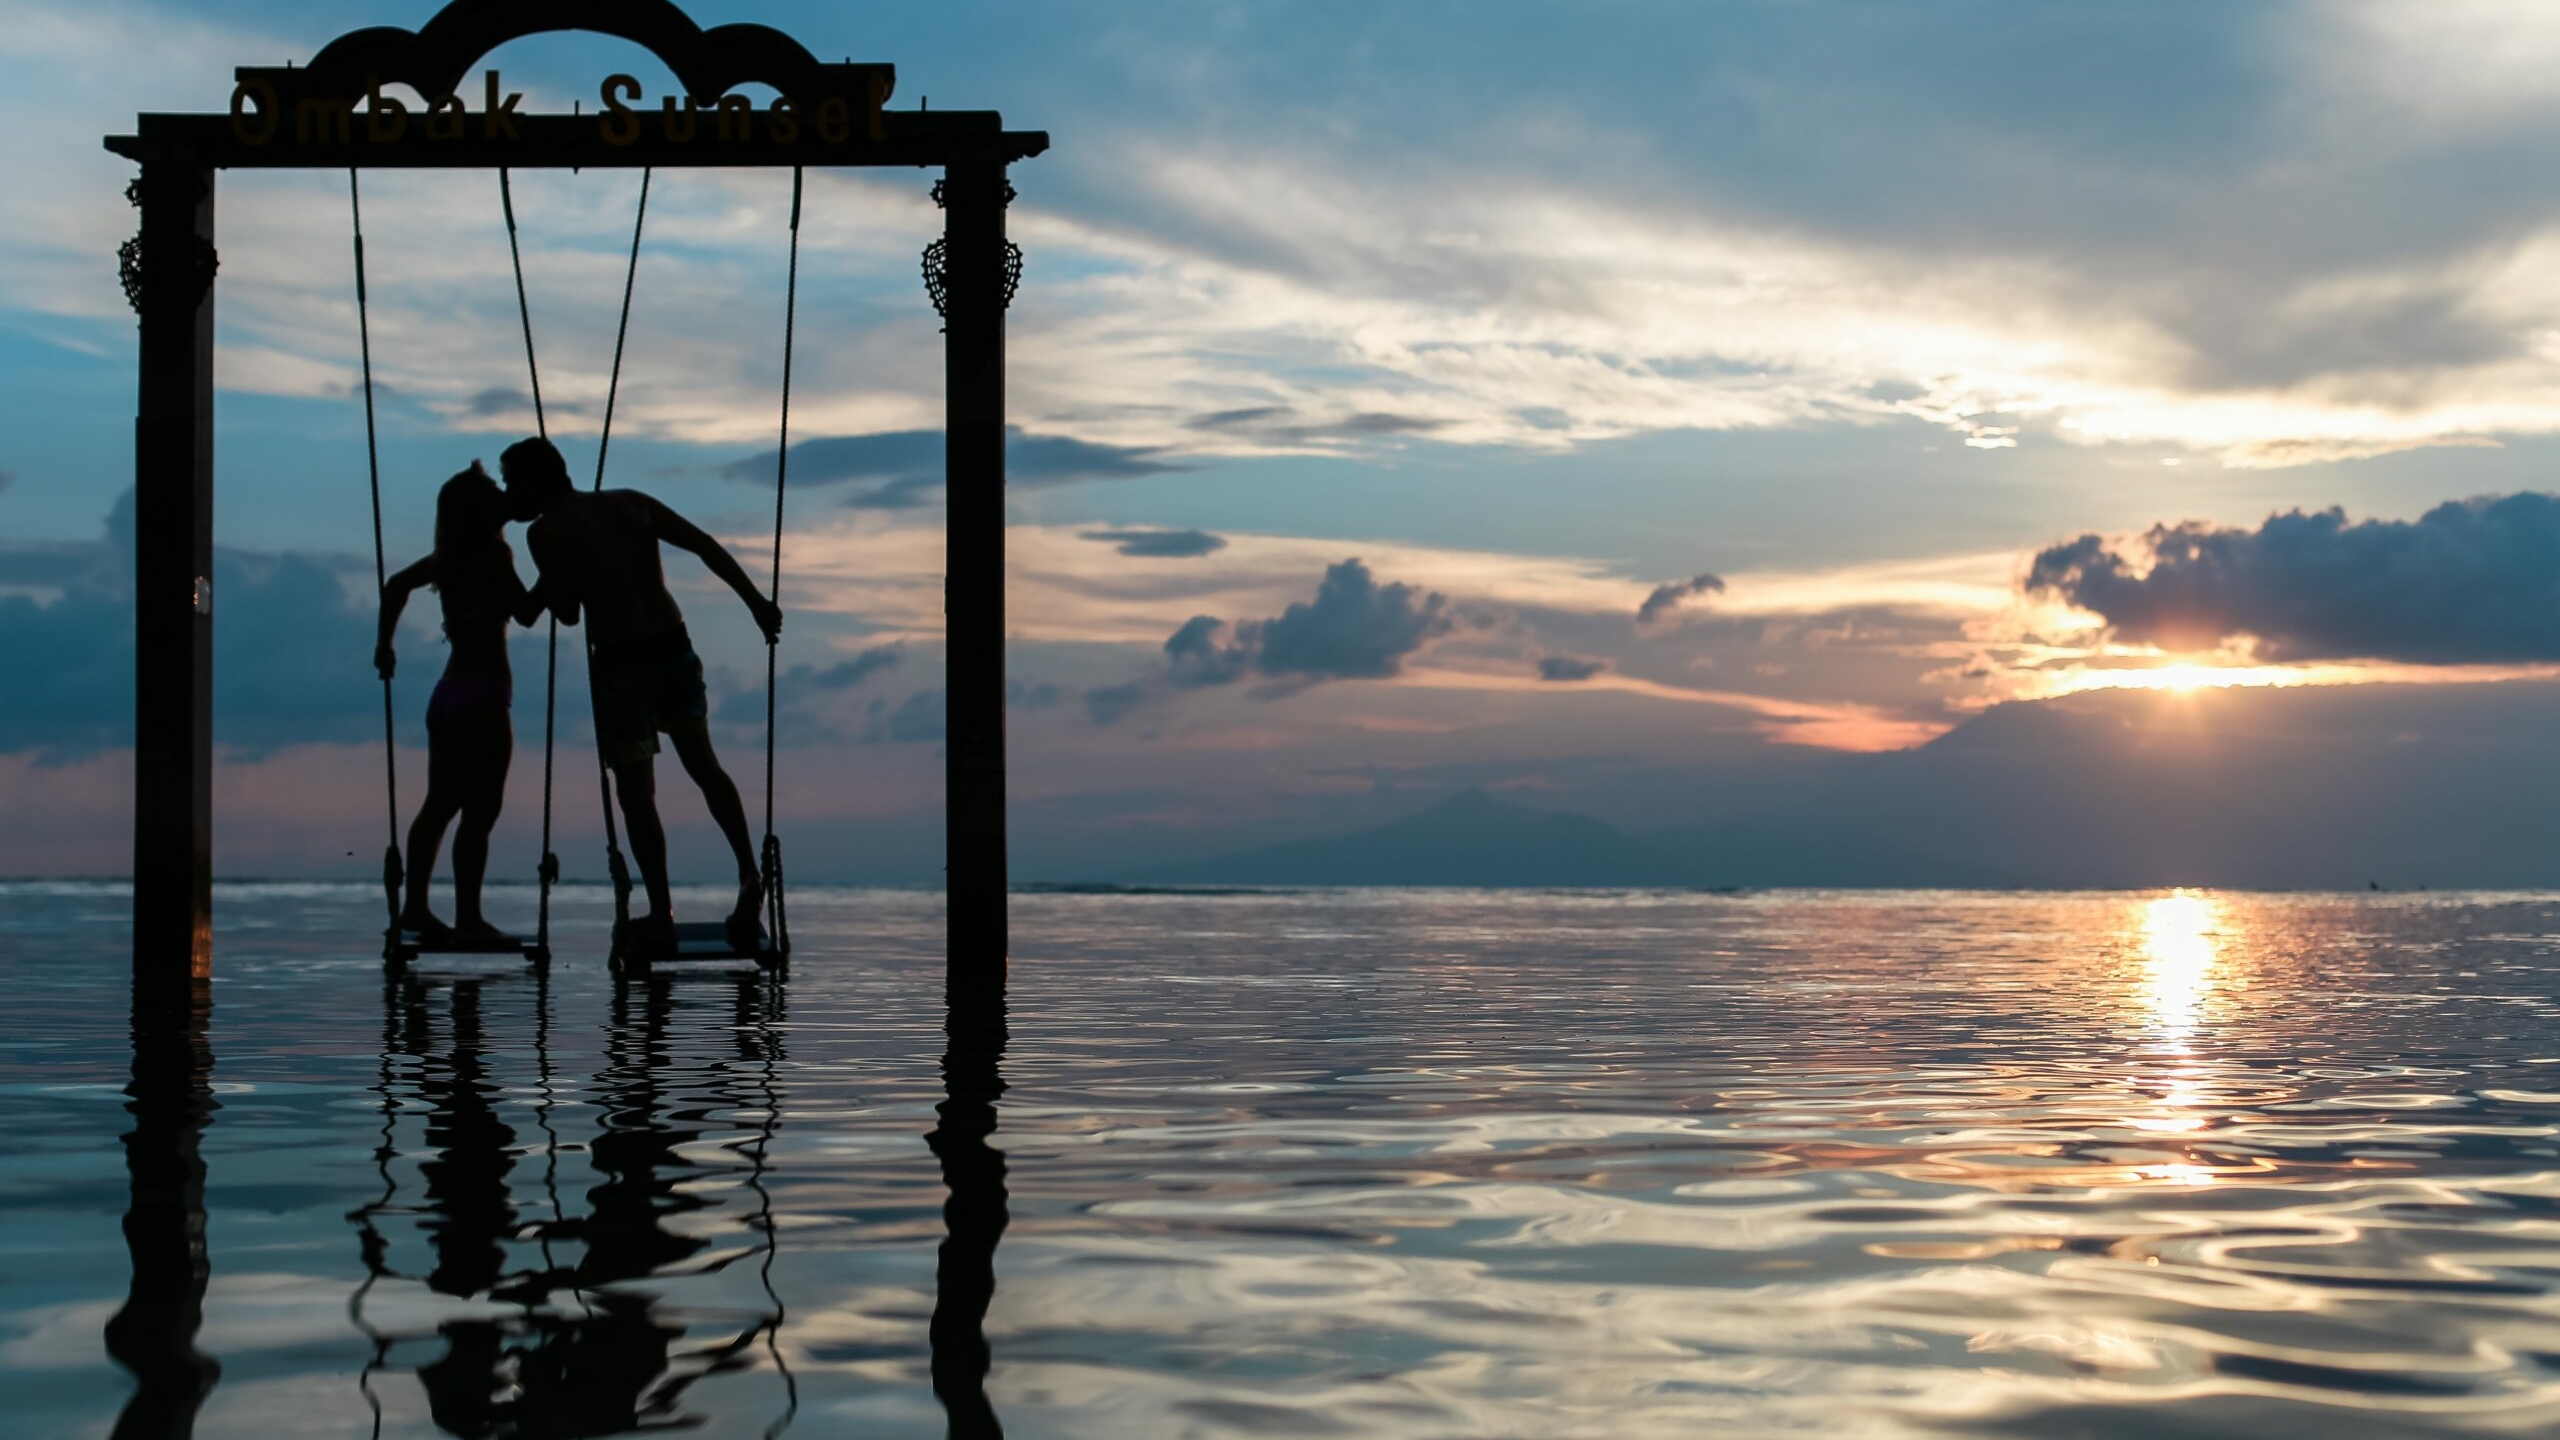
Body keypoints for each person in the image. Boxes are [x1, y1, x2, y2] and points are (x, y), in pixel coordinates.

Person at [499, 436, 782, 952]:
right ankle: (747, 874)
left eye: (510, 483)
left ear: (535, 483)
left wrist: (534, 577)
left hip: (623, 666)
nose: (506, 493)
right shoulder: (631, 502)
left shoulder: (544, 532)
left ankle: (660, 910)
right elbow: (703, 545)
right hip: (674, 648)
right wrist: (756, 604)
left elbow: (567, 613)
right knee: (705, 767)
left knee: (637, 796)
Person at [377, 463, 545, 944]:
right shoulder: (494, 553)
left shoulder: (447, 557)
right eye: (493, 491)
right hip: (483, 695)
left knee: (440, 804)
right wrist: (557, 574)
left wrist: (384, 644)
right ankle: (469, 917)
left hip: (446, 696)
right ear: (478, 509)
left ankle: (416, 909)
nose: (500, 497)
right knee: (481, 810)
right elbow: (529, 614)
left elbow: (395, 586)